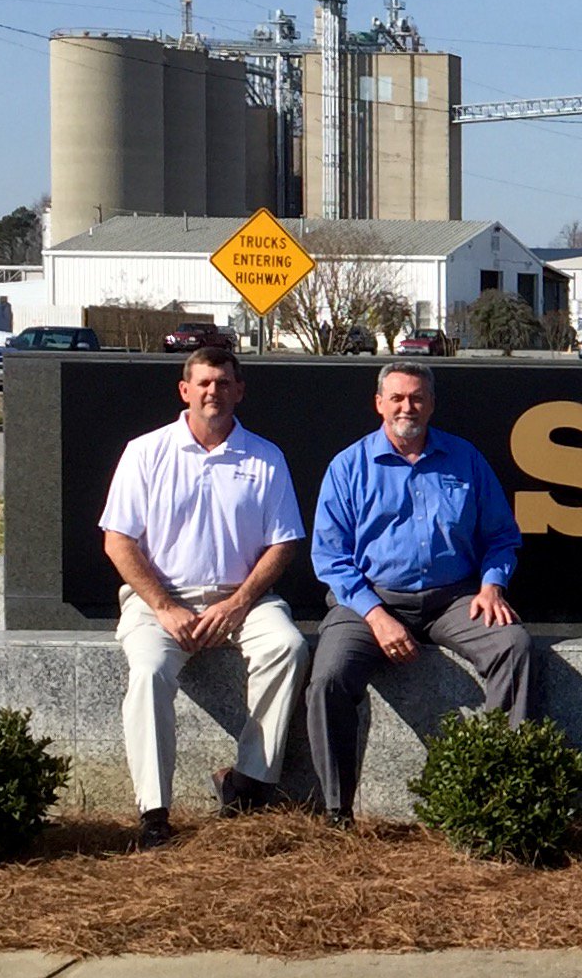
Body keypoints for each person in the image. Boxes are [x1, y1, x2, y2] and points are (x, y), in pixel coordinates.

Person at [307, 360, 535, 824]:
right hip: (367, 599)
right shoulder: (348, 466)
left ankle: (495, 794)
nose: (406, 407)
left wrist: (493, 584)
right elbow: (330, 558)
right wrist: (375, 615)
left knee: (514, 646)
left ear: (431, 404)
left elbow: (501, 536)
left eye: (416, 398)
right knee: (328, 677)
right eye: (396, 398)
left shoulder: (464, 458)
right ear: (379, 404)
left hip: (454, 598)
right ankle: (336, 809)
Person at [98, 347, 309, 850]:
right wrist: (165, 608)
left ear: (239, 391)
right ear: (185, 391)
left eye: (223, 383)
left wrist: (237, 604)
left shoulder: (265, 456)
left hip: (243, 600)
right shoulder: (145, 452)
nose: (213, 391)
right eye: (204, 383)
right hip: (158, 602)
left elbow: (284, 543)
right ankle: (153, 812)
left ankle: (248, 783)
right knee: (148, 672)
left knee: (289, 646)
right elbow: (118, 541)